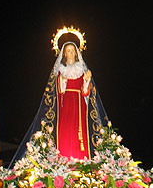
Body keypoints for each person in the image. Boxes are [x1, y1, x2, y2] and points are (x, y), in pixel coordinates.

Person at [10, 38, 109, 166]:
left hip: (79, 106)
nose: (71, 53)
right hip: (65, 105)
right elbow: (57, 92)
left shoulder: (81, 71)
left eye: (73, 51)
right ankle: (64, 161)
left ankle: (81, 160)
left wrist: (86, 81)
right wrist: (62, 80)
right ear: (64, 54)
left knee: (80, 133)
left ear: (76, 53)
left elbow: (85, 93)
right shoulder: (60, 72)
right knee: (65, 131)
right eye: (68, 51)